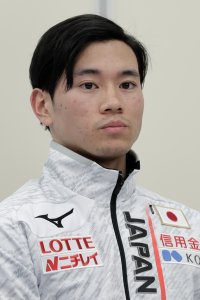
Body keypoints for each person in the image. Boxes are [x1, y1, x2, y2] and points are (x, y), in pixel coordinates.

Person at [0, 14, 199, 300]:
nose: (113, 103)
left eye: (127, 85)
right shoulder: (13, 228)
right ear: (43, 105)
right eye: (89, 85)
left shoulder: (190, 226)